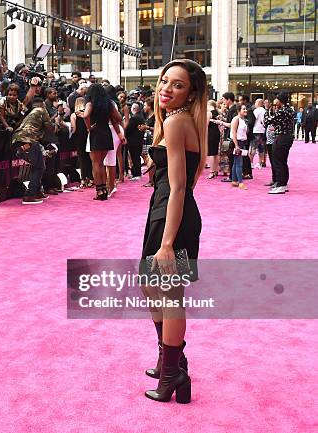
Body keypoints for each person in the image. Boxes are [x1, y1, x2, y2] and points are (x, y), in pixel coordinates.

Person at [140, 59, 207, 404]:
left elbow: (180, 186)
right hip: (163, 212)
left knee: (169, 296)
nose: (167, 88)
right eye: (165, 81)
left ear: (192, 93)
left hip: (173, 217)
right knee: (152, 288)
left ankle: (172, 374)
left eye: (178, 85)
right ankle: (172, 361)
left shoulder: (178, 122)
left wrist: (167, 243)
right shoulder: (173, 120)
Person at [78, 83, 124, 200]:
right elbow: (118, 118)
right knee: (102, 163)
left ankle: (100, 191)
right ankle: (104, 189)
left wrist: (88, 125)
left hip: (96, 132)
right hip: (106, 132)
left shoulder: (90, 103)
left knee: (96, 164)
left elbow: (86, 115)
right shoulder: (109, 103)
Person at [11, 97, 53, 205]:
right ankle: (29, 194)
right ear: (42, 104)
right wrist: (56, 122)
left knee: (38, 165)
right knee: (39, 167)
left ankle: (37, 191)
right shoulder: (42, 110)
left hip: (19, 141)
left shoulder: (31, 113)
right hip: (28, 140)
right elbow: (50, 128)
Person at [265, 92, 295, 194]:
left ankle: (281, 184)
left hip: (282, 137)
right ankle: (284, 184)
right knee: (283, 161)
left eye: (276, 98)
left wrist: (268, 111)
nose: (275, 100)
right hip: (287, 137)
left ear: (280, 100)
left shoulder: (282, 111)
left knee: (277, 161)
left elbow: (268, 121)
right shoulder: (289, 109)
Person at [70, 97, 92, 188]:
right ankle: (91, 179)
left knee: (82, 159)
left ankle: (83, 179)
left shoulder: (74, 115)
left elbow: (74, 129)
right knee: (90, 158)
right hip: (88, 137)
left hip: (79, 138)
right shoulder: (87, 113)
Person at [230, 104, 250, 189]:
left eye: (246, 109)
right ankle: (240, 182)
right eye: (243, 109)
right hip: (237, 142)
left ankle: (234, 181)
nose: (246, 110)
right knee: (239, 163)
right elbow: (234, 132)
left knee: (236, 162)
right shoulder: (236, 119)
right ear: (239, 111)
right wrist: (236, 145)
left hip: (242, 142)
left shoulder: (243, 120)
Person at [125, 102, 146, 181]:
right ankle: (136, 173)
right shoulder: (140, 116)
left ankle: (136, 174)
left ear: (133, 109)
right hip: (138, 140)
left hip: (134, 141)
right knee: (136, 157)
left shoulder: (134, 118)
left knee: (135, 157)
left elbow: (127, 128)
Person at [206, 100, 221, 179]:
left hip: (210, 134)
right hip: (217, 133)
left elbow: (205, 124)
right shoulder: (217, 112)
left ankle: (212, 171)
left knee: (211, 153)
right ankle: (215, 170)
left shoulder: (209, 113)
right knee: (215, 153)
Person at [251, 98, 266, 169]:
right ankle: (260, 163)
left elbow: (253, 119)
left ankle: (250, 162)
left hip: (256, 130)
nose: (255, 104)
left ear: (259, 103)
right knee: (261, 147)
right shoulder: (265, 111)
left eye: (256, 103)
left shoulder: (256, 111)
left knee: (253, 147)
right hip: (263, 130)